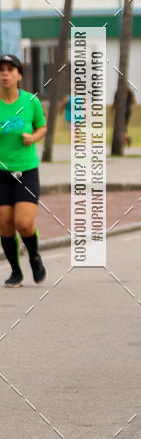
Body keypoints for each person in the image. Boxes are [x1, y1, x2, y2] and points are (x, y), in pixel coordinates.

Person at [0, 54, 47, 287]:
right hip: (1, 173)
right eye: (1, 70)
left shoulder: (31, 102)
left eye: (10, 69)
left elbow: (42, 127)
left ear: (19, 75)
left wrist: (34, 138)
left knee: (24, 223)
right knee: (5, 222)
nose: (5, 74)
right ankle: (16, 272)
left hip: (26, 170)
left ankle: (35, 257)